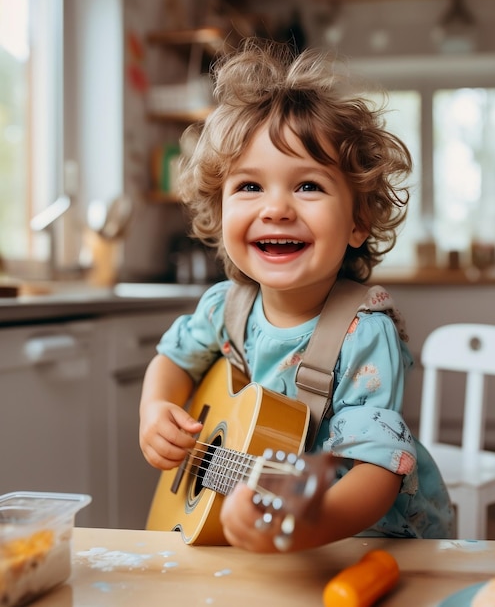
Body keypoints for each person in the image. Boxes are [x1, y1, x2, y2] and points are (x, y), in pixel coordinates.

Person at [139, 39, 455, 553]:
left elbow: (377, 477)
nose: (277, 208)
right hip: (257, 532)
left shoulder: (363, 333)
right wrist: (155, 410)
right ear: (220, 216)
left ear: (358, 222)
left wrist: (310, 524)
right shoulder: (224, 307)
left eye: (308, 186)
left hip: (362, 539)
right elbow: (172, 361)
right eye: (249, 187)